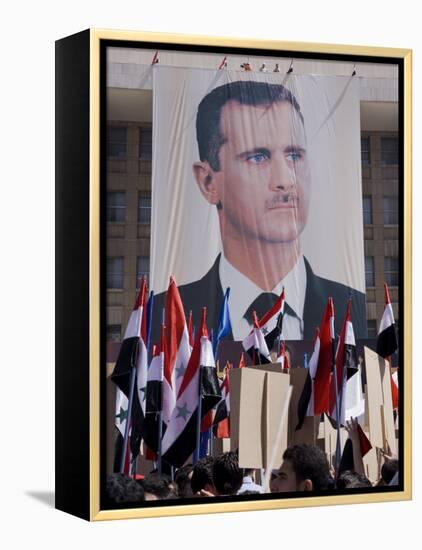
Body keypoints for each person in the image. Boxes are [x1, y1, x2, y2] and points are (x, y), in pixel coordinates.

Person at [152, 80, 366, 344]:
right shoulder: (164, 317)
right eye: (257, 157)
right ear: (208, 182)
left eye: (294, 155)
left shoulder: (352, 307)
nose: (285, 180)